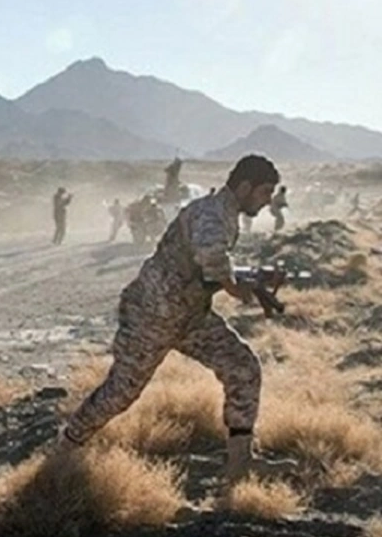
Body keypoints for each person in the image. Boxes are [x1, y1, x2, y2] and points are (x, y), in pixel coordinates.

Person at [57, 155, 290, 492]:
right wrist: (240, 287)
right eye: (264, 191)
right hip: (151, 315)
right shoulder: (212, 212)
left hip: (189, 316)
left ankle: (240, 464)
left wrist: (253, 278)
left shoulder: (224, 214)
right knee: (121, 392)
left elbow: (202, 266)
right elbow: (211, 257)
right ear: (244, 187)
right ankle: (66, 446)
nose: (268, 199)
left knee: (243, 368)